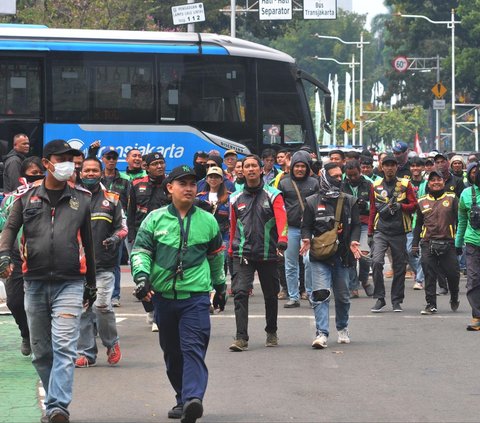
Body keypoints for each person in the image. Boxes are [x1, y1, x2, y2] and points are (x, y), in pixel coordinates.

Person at [0, 139, 96, 423]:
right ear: (46, 163)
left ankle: (57, 407)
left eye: (71, 158)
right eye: (61, 157)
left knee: (65, 346)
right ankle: (55, 404)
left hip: (70, 282)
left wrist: (90, 282)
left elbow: (88, 244)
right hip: (34, 282)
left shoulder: (82, 199)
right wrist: (4, 254)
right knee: (42, 351)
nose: (68, 163)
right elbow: (9, 229)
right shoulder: (25, 197)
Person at [131, 164, 226, 423]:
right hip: (162, 299)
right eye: (182, 183)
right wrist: (141, 278)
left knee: (193, 348)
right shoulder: (154, 218)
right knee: (172, 353)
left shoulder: (208, 221)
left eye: (193, 184)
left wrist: (220, 287)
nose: (188, 188)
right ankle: (183, 398)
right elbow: (140, 252)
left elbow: (217, 258)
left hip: (195, 299)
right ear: (170, 188)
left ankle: (194, 399)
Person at [228, 154, 288, 351]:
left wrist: (283, 240)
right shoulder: (235, 197)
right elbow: (233, 226)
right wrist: (231, 249)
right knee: (240, 293)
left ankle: (271, 332)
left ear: (261, 170)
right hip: (242, 253)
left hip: (268, 253)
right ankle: (241, 337)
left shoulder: (274, 194)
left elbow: (281, 220)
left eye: (255, 166)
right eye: (247, 166)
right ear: (242, 171)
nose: (251, 169)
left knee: (271, 295)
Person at [300, 163, 362, 348]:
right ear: (324, 177)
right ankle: (322, 333)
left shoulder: (350, 201)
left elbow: (357, 225)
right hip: (320, 256)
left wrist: (354, 241)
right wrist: (306, 239)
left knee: (343, 296)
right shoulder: (312, 201)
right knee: (320, 294)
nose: (338, 179)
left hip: (343, 257)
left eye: (340, 176)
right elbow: (306, 226)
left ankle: (342, 328)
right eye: (334, 176)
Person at [75, 157, 127, 368]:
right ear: (80, 173)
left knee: (102, 306)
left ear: (101, 172)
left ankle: (111, 343)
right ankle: (86, 353)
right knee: (84, 309)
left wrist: (115, 238)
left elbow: (123, 227)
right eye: (86, 170)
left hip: (103, 265)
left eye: (94, 170)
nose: (90, 174)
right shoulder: (72, 197)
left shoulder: (112, 198)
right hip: (77, 266)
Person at [0, 156, 45, 356]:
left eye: (39, 173)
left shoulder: (51, 194)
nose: (35, 177)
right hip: (17, 256)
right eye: (31, 173)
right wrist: (4, 255)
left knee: (42, 304)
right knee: (15, 302)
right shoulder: (12, 198)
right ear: (22, 177)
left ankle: (43, 341)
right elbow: (5, 227)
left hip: (43, 256)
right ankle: (26, 334)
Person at [368, 154, 417, 313]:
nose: (389, 168)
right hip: (381, 230)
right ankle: (380, 298)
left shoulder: (405, 184)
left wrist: (401, 206)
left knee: (399, 266)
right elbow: (373, 210)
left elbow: (414, 205)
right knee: (376, 262)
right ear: (382, 167)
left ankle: (396, 300)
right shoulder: (375, 185)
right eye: (386, 165)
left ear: (397, 167)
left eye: (392, 165)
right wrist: (369, 233)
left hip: (399, 231)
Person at [127, 152, 170, 331]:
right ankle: (150, 310)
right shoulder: (136, 185)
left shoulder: (170, 185)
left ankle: (158, 315)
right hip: (140, 238)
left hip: (164, 238)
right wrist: (130, 236)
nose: (159, 166)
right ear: (146, 167)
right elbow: (129, 212)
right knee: (142, 276)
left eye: (162, 163)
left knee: (159, 275)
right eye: (155, 164)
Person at [412, 171, 460, 315]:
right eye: (432, 180)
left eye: (438, 179)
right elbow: (418, 224)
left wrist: (459, 241)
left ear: (443, 182)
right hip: (427, 242)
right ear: (429, 183)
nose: (436, 182)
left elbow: (460, 220)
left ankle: (455, 296)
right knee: (429, 274)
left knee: (453, 274)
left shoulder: (452, 198)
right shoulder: (421, 201)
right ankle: (431, 304)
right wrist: (415, 244)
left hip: (449, 242)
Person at [278, 150, 319, 307]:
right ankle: (293, 297)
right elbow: (280, 207)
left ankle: (309, 293)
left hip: (310, 230)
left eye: (303, 166)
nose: (300, 169)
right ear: (292, 166)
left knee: (309, 262)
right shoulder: (284, 183)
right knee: (290, 264)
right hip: (291, 229)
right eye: (297, 166)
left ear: (308, 167)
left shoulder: (314, 183)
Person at [195, 165, 232, 308]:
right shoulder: (199, 196)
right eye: (211, 176)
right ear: (206, 179)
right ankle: (210, 294)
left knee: (219, 264)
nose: (213, 179)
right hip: (204, 236)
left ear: (222, 179)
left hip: (223, 235)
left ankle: (217, 293)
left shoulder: (229, 196)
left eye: (216, 177)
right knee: (206, 265)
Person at [99, 146, 130, 307]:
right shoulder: (97, 178)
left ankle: (115, 296)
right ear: (103, 159)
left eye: (114, 157)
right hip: (99, 223)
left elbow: (130, 204)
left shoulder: (124, 180)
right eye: (108, 157)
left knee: (115, 261)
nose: (111, 160)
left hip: (118, 224)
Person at [341, 160, 374, 297]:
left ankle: (364, 280)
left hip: (365, 223)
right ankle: (353, 287)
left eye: (355, 175)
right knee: (350, 257)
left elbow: (375, 204)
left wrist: (364, 205)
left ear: (360, 172)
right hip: (348, 224)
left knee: (364, 256)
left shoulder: (369, 184)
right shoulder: (342, 185)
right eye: (349, 176)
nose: (352, 178)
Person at [456, 163, 480, 331]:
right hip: (472, 244)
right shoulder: (465, 194)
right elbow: (462, 221)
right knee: (473, 279)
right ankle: (477, 316)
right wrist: (457, 243)